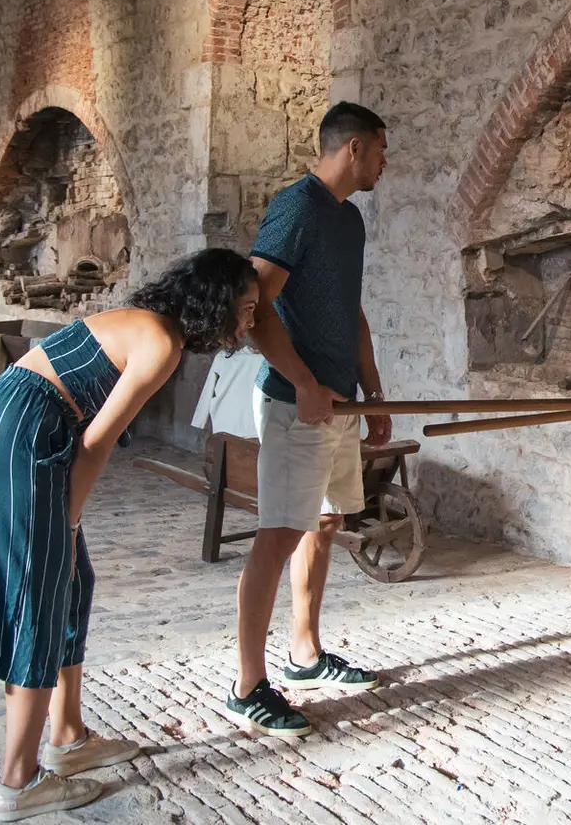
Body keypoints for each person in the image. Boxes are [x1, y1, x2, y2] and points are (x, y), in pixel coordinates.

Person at [0, 249, 259, 821]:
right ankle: (18, 783)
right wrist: (66, 526)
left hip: (1, 431)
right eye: (243, 309)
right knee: (40, 601)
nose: (248, 324)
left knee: (72, 584)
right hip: (16, 440)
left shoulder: (148, 323)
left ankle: (67, 737)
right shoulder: (161, 343)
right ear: (214, 303)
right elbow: (96, 441)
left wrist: (67, 531)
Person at [228, 102, 391, 737]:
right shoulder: (296, 207)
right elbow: (252, 303)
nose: (384, 163)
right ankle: (247, 685)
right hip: (296, 403)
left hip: (339, 403)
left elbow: (351, 316)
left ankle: (304, 654)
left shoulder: (349, 222)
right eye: (380, 150)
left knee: (323, 524)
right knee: (277, 536)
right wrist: (303, 383)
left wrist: (371, 394)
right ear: (353, 148)